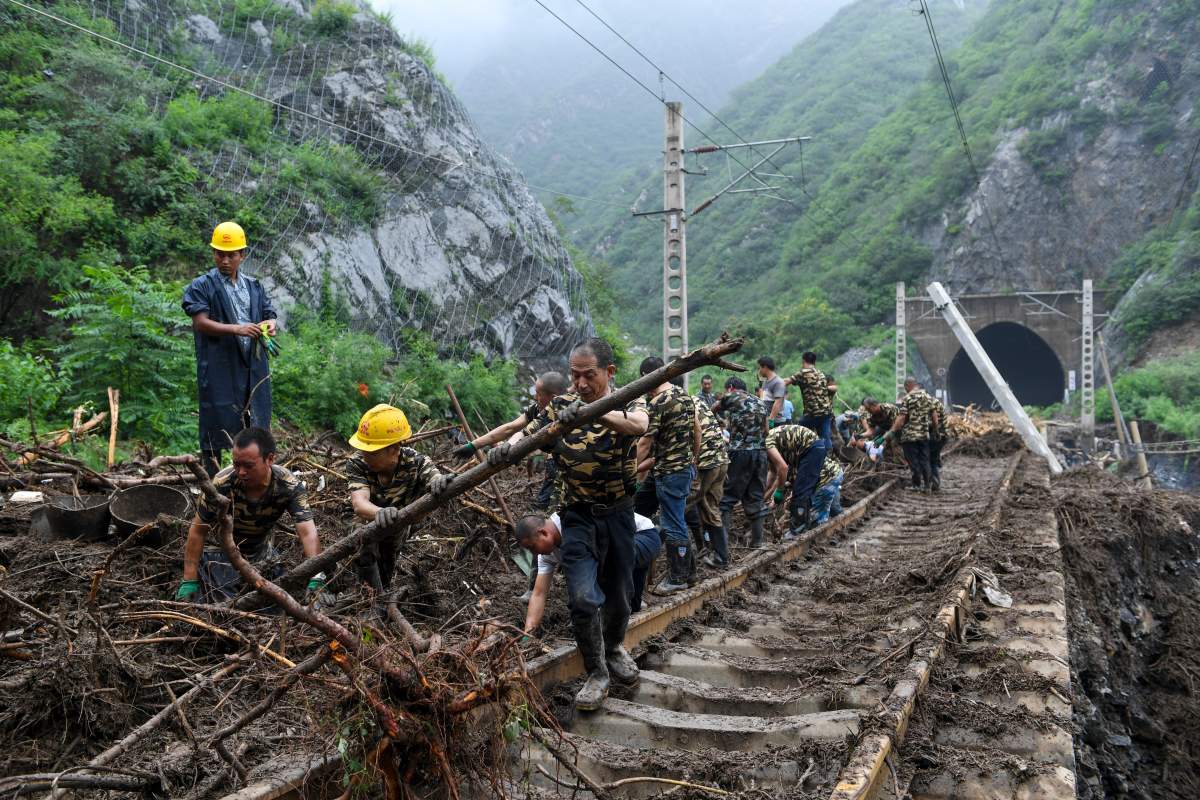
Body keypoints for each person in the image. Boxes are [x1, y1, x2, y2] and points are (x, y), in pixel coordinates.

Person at [517, 338, 649, 711]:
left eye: (588, 376)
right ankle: (596, 672)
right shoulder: (561, 404)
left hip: (619, 514)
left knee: (620, 593)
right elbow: (527, 435)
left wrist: (594, 412)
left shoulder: (629, 398)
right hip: (576, 517)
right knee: (580, 597)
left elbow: (638, 426)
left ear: (608, 372)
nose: (580, 384)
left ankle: (616, 645)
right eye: (574, 376)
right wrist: (503, 449)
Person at [451, 371, 569, 601]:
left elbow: (522, 436)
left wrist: (510, 446)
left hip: (574, 477)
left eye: (538, 394)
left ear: (553, 396)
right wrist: (473, 445)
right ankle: (535, 584)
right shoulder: (538, 410)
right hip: (553, 472)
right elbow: (512, 429)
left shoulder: (568, 409)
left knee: (560, 527)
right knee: (537, 522)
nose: (535, 398)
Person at [176, 427, 325, 603]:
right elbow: (198, 530)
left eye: (248, 466)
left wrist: (317, 575)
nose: (241, 472)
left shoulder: (288, 485)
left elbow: (307, 532)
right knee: (226, 602)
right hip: (220, 552)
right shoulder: (222, 484)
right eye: (236, 464)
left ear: (270, 459)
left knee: (280, 600)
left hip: (261, 552)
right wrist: (189, 580)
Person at [182, 222, 279, 478]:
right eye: (219, 254)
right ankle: (214, 481)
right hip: (220, 367)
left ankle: (257, 475)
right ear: (213, 253)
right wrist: (237, 329)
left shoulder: (254, 286)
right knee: (216, 422)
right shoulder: (202, 286)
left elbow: (269, 314)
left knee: (256, 418)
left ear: (242, 255)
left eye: (231, 255)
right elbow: (201, 323)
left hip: (253, 366)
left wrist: (270, 325)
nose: (225, 260)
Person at [346, 404, 452, 592]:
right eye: (364, 449)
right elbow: (359, 503)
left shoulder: (417, 463)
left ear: (394, 448)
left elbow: (435, 477)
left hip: (400, 522)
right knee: (361, 539)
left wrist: (439, 482)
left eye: (373, 452)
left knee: (390, 550)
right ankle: (366, 594)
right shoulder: (357, 462)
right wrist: (380, 512)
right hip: (367, 517)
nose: (366, 455)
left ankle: (382, 592)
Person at [517, 511, 662, 634]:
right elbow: (539, 593)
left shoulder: (572, 520)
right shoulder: (546, 555)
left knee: (600, 565)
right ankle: (624, 601)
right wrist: (527, 634)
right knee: (632, 607)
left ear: (543, 533)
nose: (534, 553)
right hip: (618, 556)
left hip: (642, 536)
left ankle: (602, 610)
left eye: (532, 547)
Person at [635, 358, 701, 597]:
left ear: (647, 376)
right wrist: (693, 458)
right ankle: (689, 573)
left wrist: (630, 469)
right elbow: (697, 430)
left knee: (673, 522)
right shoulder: (684, 396)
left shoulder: (658, 402)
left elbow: (644, 442)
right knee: (639, 507)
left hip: (670, 473)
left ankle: (678, 578)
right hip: (672, 468)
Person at [715, 377, 769, 549]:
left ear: (730, 388)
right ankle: (758, 542)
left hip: (740, 452)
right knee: (755, 497)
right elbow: (767, 430)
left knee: (727, 499)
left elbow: (710, 411)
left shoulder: (732, 396)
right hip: (760, 453)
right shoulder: (760, 402)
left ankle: (721, 547)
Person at [764, 423, 829, 540]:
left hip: (811, 448)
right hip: (808, 449)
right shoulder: (767, 444)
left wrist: (779, 490)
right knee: (801, 489)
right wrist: (764, 496)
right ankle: (804, 526)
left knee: (801, 491)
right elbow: (773, 473)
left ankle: (797, 532)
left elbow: (783, 469)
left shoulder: (765, 443)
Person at [883, 377, 940, 492]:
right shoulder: (929, 398)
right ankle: (927, 486)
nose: (906, 390)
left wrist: (893, 431)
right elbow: (934, 417)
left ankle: (916, 485)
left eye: (905, 388)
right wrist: (935, 430)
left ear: (908, 385)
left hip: (910, 436)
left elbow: (902, 418)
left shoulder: (908, 398)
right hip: (924, 435)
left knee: (913, 461)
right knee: (924, 459)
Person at [692, 400, 730, 568]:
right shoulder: (698, 401)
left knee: (681, 504)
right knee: (710, 508)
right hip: (721, 459)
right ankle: (719, 556)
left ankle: (683, 563)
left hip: (706, 462)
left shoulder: (674, 403)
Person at [784, 352, 837, 448]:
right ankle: (827, 457)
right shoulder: (820, 373)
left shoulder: (803, 373)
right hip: (826, 411)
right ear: (815, 362)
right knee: (825, 437)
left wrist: (771, 383)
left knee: (799, 432)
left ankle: (799, 453)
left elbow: (786, 382)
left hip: (813, 412)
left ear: (803, 361)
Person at [810, 454, 845, 525]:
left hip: (830, 477)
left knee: (834, 508)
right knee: (831, 507)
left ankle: (842, 521)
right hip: (830, 476)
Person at [756, 357, 787, 427]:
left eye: (760, 368)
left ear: (765, 367)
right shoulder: (765, 382)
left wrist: (770, 422)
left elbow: (778, 403)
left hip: (775, 422)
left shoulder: (778, 382)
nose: (759, 370)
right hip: (766, 421)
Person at [929, 395, 950, 491]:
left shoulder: (930, 403)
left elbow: (933, 420)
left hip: (937, 435)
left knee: (928, 458)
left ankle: (933, 481)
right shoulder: (936, 401)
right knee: (933, 457)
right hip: (943, 435)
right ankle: (935, 480)